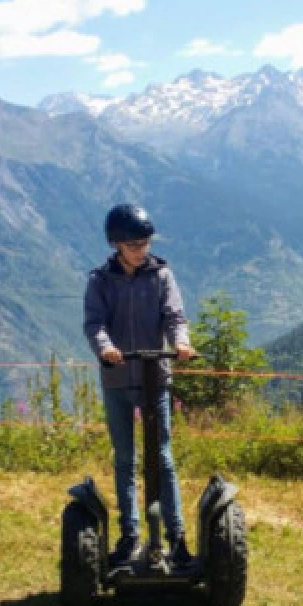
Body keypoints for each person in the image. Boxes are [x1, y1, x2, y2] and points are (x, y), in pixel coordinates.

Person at [83, 203, 196, 569]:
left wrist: (180, 343)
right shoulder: (100, 280)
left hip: (154, 378)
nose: (141, 250)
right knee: (125, 459)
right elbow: (94, 323)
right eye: (133, 245)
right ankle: (130, 535)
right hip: (118, 376)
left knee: (162, 457)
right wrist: (107, 348)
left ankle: (176, 538)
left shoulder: (161, 276)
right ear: (116, 244)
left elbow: (174, 316)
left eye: (145, 243)